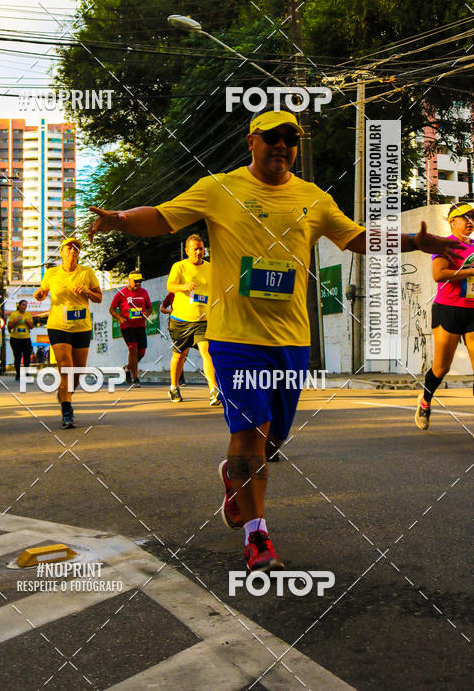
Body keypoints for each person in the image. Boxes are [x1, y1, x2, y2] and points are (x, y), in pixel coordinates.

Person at [89, 110, 461, 572]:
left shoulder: (313, 198)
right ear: (252, 142)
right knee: (249, 434)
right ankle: (256, 537)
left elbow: (357, 238)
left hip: (290, 340)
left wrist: (413, 241)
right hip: (232, 336)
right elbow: (164, 218)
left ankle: (234, 479)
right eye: (273, 137)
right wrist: (121, 219)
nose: (282, 145)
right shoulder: (219, 188)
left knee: (271, 441)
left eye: (290, 138)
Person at [415, 202, 474, 429]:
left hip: (473, 310)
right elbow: (438, 274)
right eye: (464, 218)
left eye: (472, 217)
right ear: (452, 222)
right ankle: (426, 401)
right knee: (442, 368)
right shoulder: (444, 245)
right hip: (448, 309)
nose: (470, 222)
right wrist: (469, 271)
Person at [33, 237, 102, 429]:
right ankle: (67, 409)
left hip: (82, 327)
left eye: (77, 249)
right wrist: (38, 294)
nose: (73, 251)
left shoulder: (87, 272)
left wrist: (87, 292)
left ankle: (64, 394)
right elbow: (42, 293)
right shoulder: (52, 273)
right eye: (69, 248)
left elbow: (99, 298)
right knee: (65, 366)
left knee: (77, 373)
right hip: (58, 325)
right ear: (62, 252)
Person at [165, 234, 220, 406]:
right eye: (195, 249)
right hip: (181, 320)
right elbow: (170, 286)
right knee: (180, 355)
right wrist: (183, 286)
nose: (198, 252)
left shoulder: (211, 267)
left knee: (207, 352)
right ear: (187, 250)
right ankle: (174, 387)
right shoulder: (179, 266)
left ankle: (214, 390)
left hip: (203, 320)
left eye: (201, 248)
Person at [110, 272, 153, 387]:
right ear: (129, 280)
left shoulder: (144, 292)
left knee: (141, 352)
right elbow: (112, 309)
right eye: (136, 281)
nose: (138, 284)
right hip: (127, 326)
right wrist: (119, 318)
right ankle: (135, 378)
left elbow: (150, 308)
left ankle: (127, 368)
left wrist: (146, 314)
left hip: (140, 325)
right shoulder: (121, 294)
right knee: (133, 349)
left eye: (140, 281)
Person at [160, 292, 187, 386]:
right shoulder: (172, 294)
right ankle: (179, 379)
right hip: (176, 326)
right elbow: (162, 308)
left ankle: (179, 376)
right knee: (180, 352)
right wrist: (169, 312)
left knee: (185, 354)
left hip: (191, 324)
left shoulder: (192, 292)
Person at [8, 300, 34, 382]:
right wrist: (16, 321)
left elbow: (31, 327)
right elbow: (9, 326)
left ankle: (26, 373)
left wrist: (28, 322)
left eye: (25, 305)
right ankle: (18, 374)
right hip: (15, 338)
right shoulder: (13, 314)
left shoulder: (28, 314)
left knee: (27, 357)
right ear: (19, 306)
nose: (24, 307)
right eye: (23, 305)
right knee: (17, 356)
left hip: (26, 338)